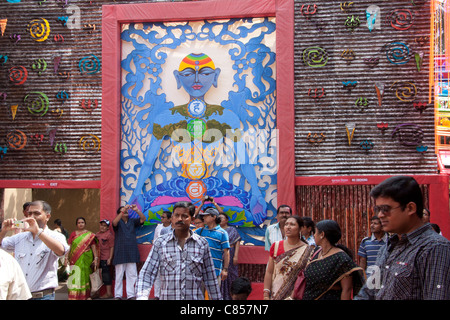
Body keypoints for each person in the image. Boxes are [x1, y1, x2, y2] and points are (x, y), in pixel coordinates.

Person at [355, 176, 450, 300]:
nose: (380, 215)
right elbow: (369, 292)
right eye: (378, 209)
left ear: (410, 208)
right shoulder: (387, 247)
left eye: (386, 209)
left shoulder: (435, 248)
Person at [136, 201, 222, 300]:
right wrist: (141, 297)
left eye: (184, 216)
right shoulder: (160, 243)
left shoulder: (202, 244)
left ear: (192, 219)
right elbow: (147, 274)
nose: (179, 219)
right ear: (172, 218)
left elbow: (210, 278)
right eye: (176, 215)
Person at [0, 200, 70, 300]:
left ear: (47, 217)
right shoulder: (20, 237)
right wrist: (4, 231)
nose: (32, 217)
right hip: (21, 296)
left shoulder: (56, 236)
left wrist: (38, 232)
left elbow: (61, 251)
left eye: (36, 213)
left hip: (43, 296)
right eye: (29, 213)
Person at [302, 219, 364, 300]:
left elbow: (347, 289)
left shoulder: (341, 259)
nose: (314, 235)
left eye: (316, 232)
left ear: (322, 234)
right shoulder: (316, 252)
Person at [263, 216, 313, 300]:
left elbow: (306, 277)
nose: (288, 227)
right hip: (276, 294)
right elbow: (269, 272)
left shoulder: (308, 250)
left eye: (292, 224)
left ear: (300, 229)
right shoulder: (276, 246)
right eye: (286, 224)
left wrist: (291, 297)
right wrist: (266, 294)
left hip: (296, 295)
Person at [112, 204, 146, 300]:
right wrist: (122, 211)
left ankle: (130, 295)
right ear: (120, 213)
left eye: (126, 211)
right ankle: (117, 295)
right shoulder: (118, 223)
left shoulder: (132, 221)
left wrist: (136, 210)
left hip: (131, 250)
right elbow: (114, 223)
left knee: (132, 274)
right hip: (120, 251)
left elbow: (143, 219)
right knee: (119, 275)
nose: (125, 212)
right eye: (123, 211)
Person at [195, 208, 230, 286]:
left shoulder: (222, 233)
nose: (203, 218)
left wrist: (225, 269)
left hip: (215, 270)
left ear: (214, 217)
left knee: (214, 295)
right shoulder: (200, 231)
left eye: (206, 216)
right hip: (200, 270)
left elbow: (226, 252)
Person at [66, 217, 99, 300]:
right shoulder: (73, 234)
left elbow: (93, 246)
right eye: (79, 223)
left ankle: (85, 295)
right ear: (76, 224)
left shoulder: (90, 235)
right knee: (75, 275)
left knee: (85, 276)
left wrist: (95, 258)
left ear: (85, 223)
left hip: (87, 258)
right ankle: (74, 296)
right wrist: (66, 257)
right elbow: (69, 246)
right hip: (75, 259)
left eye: (82, 222)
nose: (81, 224)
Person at [219, 213, 241, 300]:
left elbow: (237, 242)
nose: (220, 219)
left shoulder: (232, 230)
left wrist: (236, 256)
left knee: (231, 275)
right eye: (219, 218)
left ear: (226, 220)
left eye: (222, 218)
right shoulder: (216, 230)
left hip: (230, 253)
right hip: (220, 255)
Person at [95, 219, 114, 299]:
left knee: (106, 275)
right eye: (101, 225)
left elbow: (111, 247)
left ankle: (109, 293)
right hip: (98, 258)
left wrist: (110, 258)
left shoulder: (109, 235)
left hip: (105, 258)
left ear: (107, 228)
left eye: (104, 226)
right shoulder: (97, 234)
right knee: (98, 276)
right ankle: (96, 292)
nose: (102, 227)